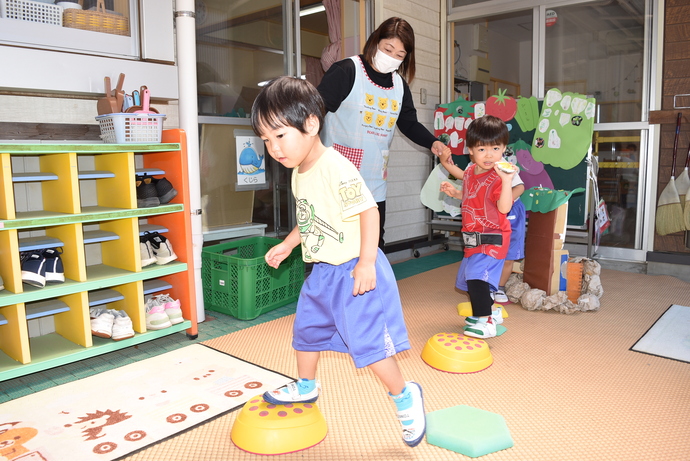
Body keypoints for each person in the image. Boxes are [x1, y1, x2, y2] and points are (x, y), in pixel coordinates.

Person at [250, 76, 426, 447]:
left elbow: (368, 212)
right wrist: (288, 244)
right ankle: (306, 386)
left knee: (369, 347)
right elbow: (309, 218)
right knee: (306, 332)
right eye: (266, 140)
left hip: (355, 270)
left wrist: (365, 262)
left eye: (279, 136)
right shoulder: (299, 174)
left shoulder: (336, 166)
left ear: (311, 125)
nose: (273, 149)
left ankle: (405, 395)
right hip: (323, 271)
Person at [317, 17, 450, 249]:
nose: (392, 57)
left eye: (400, 55)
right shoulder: (346, 71)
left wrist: (433, 143)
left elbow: (408, 124)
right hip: (337, 176)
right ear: (375, 42)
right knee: (335, 243)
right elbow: (313, 113)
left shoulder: (399, 85)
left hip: (374, 179)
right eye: (388, 49)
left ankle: (372, 286)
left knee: (373, 243)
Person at [439, 115, 515, 338]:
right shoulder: (472, 171)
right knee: (469, 278)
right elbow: (471, 191)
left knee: (477, 277)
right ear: (470, 150)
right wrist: (455, 192)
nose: (489, 154)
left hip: (492, 239)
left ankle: (486, 321)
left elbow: (503, 207)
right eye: (482, 149)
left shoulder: (499, 176)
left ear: (504, 149)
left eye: (495, 148)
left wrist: (508, 182)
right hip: (473, 237)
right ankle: (490, 311)